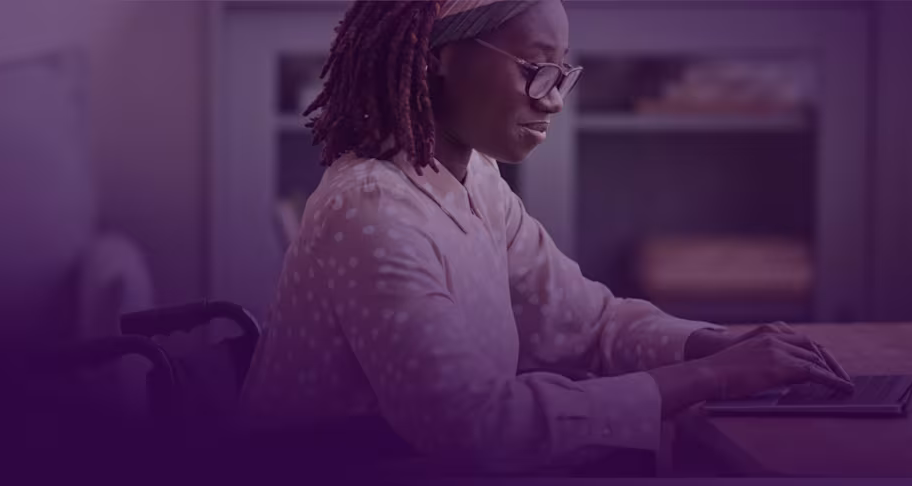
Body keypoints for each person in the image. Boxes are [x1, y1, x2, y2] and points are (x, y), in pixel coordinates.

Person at [238, 0, 854, 474]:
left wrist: (720, 344)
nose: (554, 99)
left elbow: (591, 324)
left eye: (563, 73)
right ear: (436, 57)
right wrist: (713, 379)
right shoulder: (370, 210)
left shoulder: (477, 178)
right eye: (535, 71)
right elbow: (472, 426)